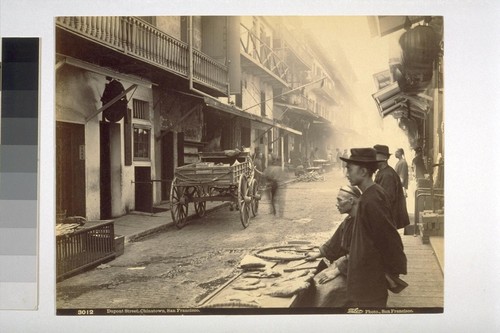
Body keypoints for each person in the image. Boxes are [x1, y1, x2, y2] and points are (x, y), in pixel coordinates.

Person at [339, 147, 407, 307]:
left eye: (349, 169)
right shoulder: (369, 196)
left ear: (363, 171)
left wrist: (390, 272)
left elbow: (389, 239)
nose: (347, 174)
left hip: (369, 281)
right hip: (365, 278)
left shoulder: (372, 199)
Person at [304, 185, 362, 307]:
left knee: (325, 290)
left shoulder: (363, 222)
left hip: (358, 271)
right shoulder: (349, 220)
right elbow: (334, 242)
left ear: (351, 201)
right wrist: (318, 253)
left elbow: (361, 254)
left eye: (339, 200)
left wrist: (336, 271)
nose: (337, 204)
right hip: (346, 265)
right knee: (315, 281)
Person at [373, 145, 410, 230]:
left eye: (374, 157)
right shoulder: (383, 172)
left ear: (382, 159)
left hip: (388, 220)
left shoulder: (387, 175)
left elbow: (387, 199)